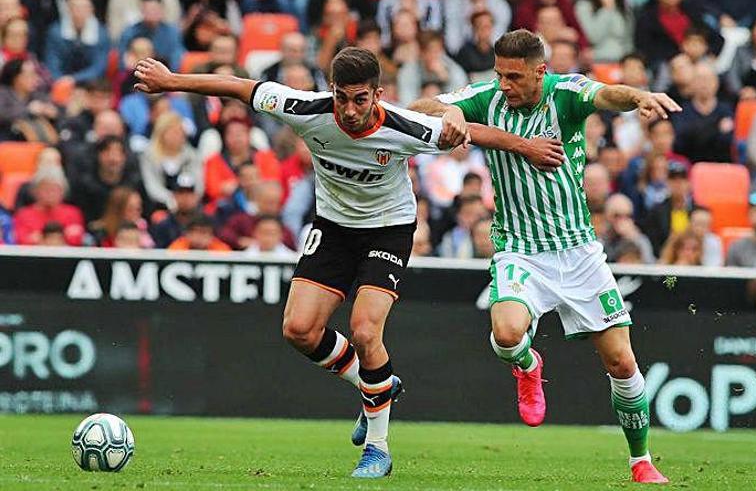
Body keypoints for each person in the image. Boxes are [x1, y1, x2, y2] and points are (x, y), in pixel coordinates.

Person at [133, 46, 562, 478]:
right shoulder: (306, 109)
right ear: (331, 90)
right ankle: (375, 384)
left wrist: (527, 147)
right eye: (342, 97)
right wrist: (171, 81)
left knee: (363, 329)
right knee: (298, 330)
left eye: (361, 99)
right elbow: (240, 87)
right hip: (335, 228)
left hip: (388, 230)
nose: (350, 110)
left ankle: (378, 449)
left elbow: (473, 131)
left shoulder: (404, 126)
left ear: (377, 94)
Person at [411, 29, 677, 483]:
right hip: (519, 249)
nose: (504, 85)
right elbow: (420, 109)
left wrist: (638, 95)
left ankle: (641, 460)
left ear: (540, 72)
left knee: (622, 363)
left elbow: (605, 94)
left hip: (579, 251)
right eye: (499, 75)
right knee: (509, 334)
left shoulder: (565, 95)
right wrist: (452, 109)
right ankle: (529, 366)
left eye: (513, 77)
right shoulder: (488, 97)